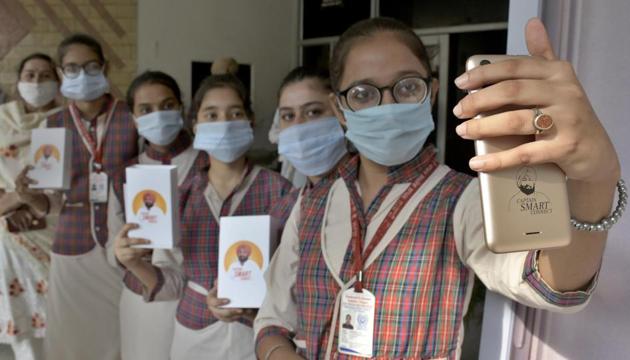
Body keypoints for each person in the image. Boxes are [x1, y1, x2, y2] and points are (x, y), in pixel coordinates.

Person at [254, 17, 621, 360]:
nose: (388, 105)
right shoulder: (312, 203)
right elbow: (271, 322)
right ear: (339, 108)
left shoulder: (463, 200)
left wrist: (595, 181)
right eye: (364, 94)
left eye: (407, 87)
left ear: (430, 91)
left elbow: (553, 287)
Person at [114, 73, 292, 360]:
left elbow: (293, 276)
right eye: (212, 115)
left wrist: (253, 302)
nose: (224, 123)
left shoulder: (281, 191)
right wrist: (132, 262)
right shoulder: (182, 195)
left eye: (235, 113)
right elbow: (173, 282)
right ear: (195, 125)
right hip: (193, 335)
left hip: (260, 335)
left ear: (251, 120)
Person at [15, 34, 138, 360]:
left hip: (124, 244)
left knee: (123, 333)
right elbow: (52, 204)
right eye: (71, 68)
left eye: (91, 66)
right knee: (72, 340)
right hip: (71, 245)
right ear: (61, 72)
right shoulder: (53, 124)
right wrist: (30, 197)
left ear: (105, 67)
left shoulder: (131, 117)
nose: (82, 74)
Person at [106, 70, 207, 360]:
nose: (158, 115)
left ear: (181, 108)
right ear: (134, 118)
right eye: (146, 110)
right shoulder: (123, 176)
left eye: (167, 105)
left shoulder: (209, 164)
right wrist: (122, 252)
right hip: (143, 299)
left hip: (196, 297)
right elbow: (111, 247)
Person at [0, 53, 60, 360]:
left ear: (58, 83)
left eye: (45, 76)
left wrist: (35, 202)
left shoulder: (68, 123)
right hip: (10, 240)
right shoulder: (0, 123)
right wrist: (17, 199)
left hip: (55, 234)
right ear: (18, 81)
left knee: (61, 328)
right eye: (30, 75)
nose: (37, 82)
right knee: (24, 338)